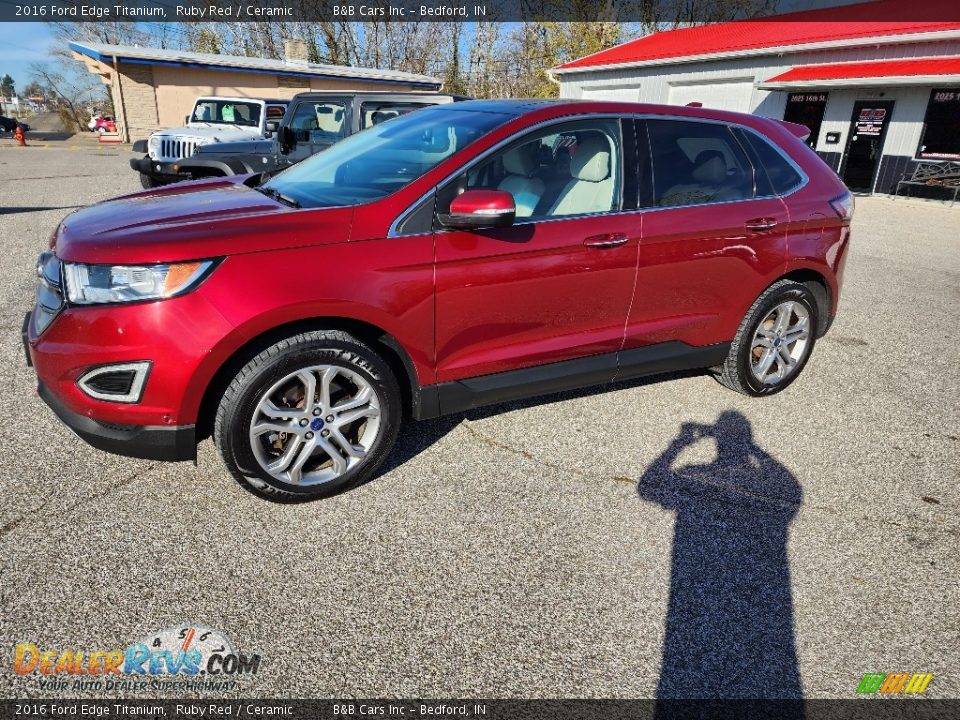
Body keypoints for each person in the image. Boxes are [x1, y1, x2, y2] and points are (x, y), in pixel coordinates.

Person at [637, 411, 804, 711]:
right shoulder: (767, 487)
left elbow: (648, 486)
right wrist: (754, 449)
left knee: (686, 654)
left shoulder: (694, 474)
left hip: (693, 587)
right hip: (760, 596)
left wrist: (680, 443)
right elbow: (791, 487)